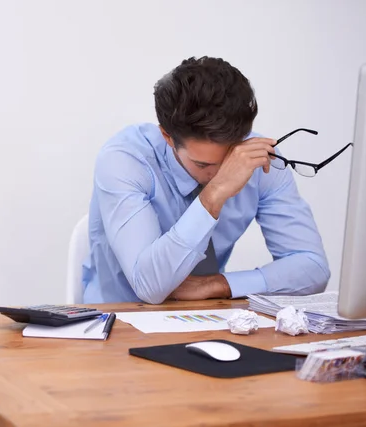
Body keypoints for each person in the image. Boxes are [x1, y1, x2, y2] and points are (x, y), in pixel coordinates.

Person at [82, 56, 330, 304]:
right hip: (118, 321)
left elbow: (313, 268)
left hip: (207, 317)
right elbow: (149, 286)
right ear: (168, 137)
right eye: (203, 164)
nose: (225, 171)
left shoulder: (257, 158)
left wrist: (218, 284)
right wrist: (215, 193)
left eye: (230, 160)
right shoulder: (125, 159)